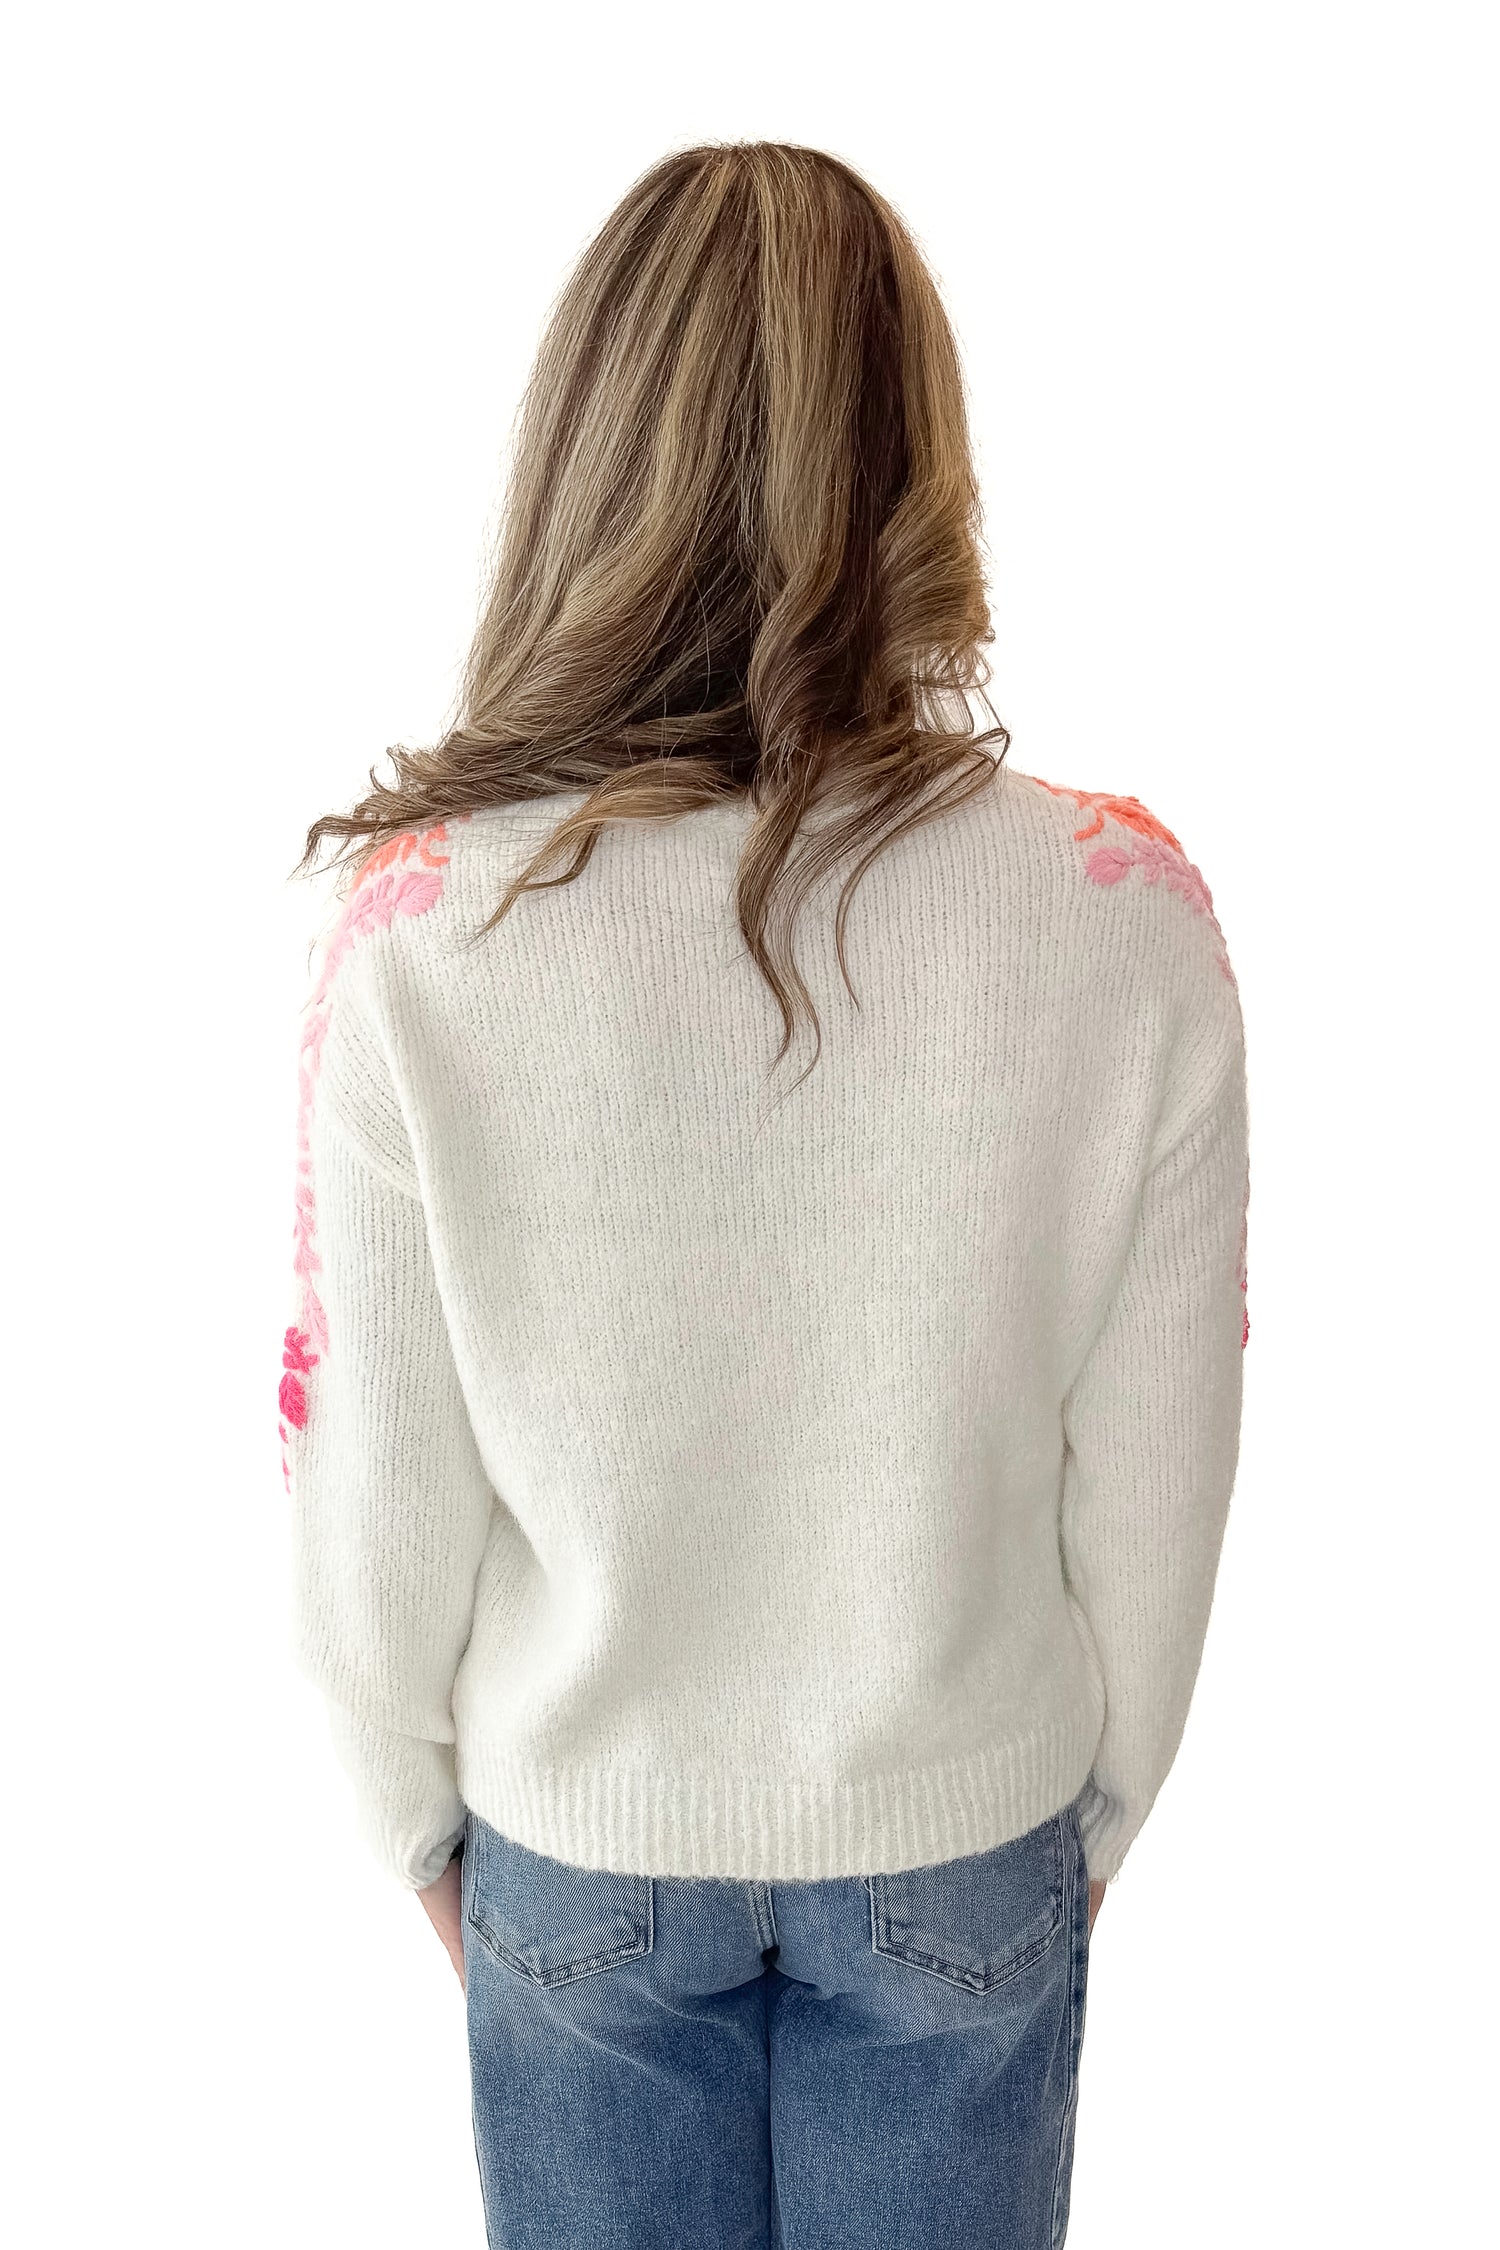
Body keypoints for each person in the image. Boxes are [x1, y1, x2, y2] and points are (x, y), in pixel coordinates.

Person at [282, 139, 1249, 2249]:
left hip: (573, 1849)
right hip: (967, 1824)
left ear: (583, 455)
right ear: (923, 458)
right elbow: (1159, 1483)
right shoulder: (1124, 915)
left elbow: (375, 1499)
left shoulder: (423, 937)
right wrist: (1081, 1820)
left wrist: (424, 1835)